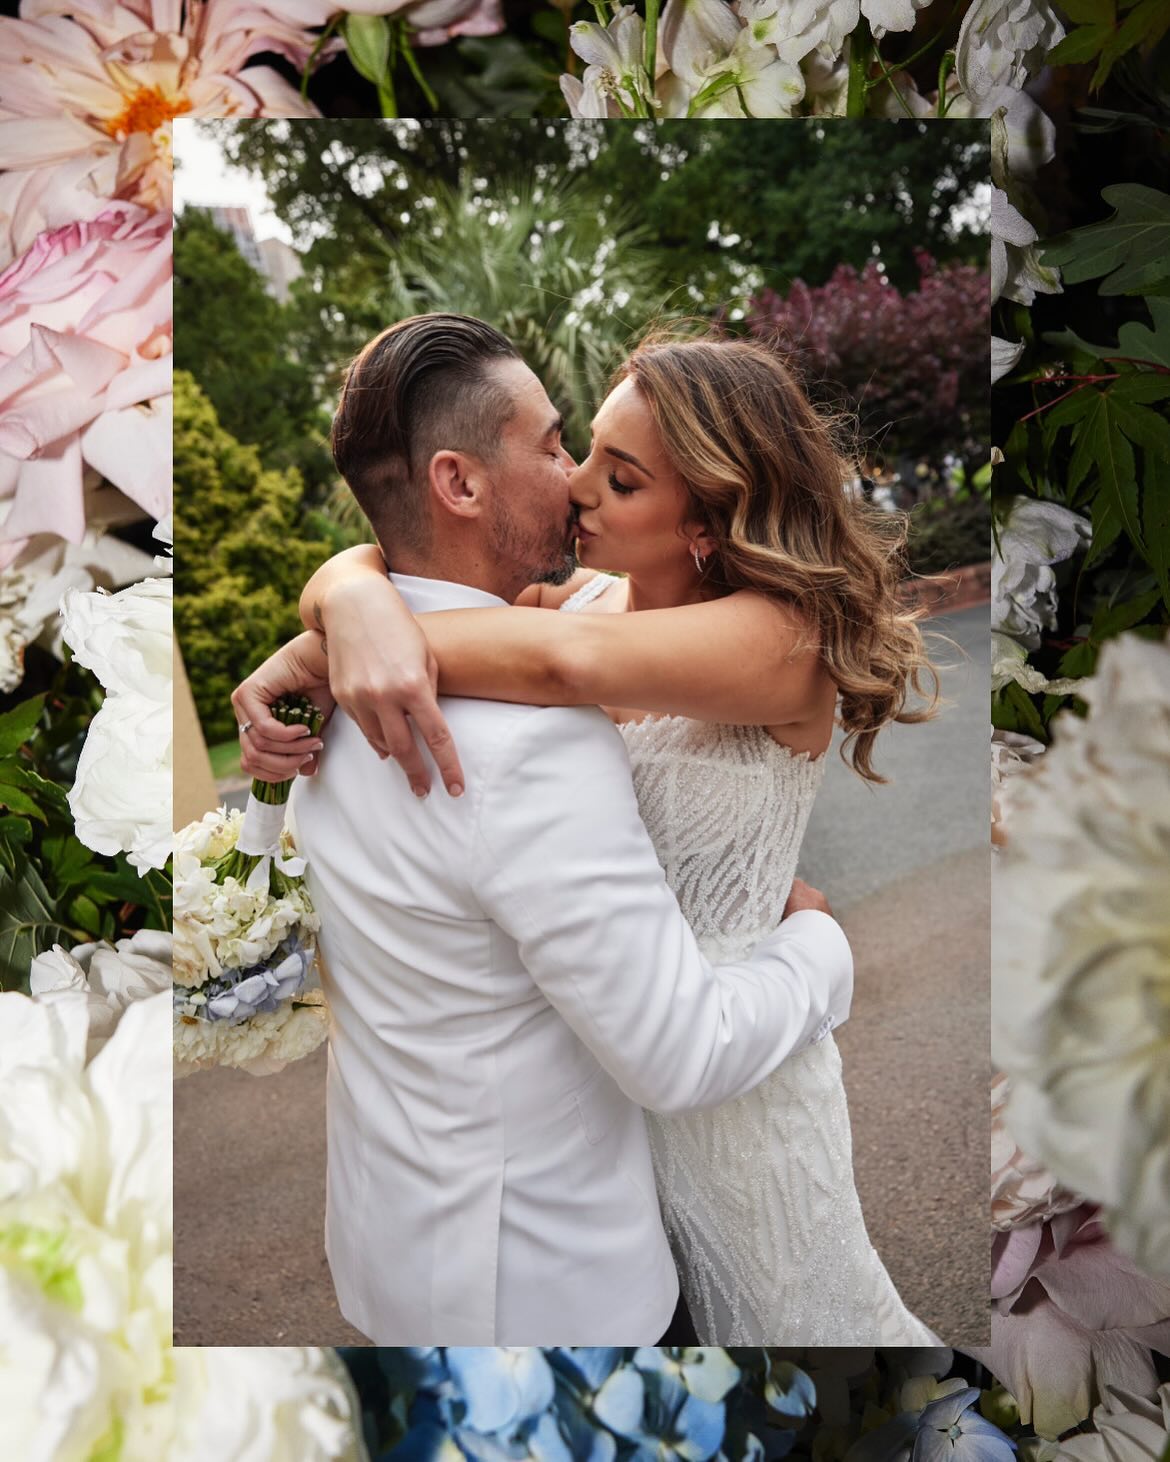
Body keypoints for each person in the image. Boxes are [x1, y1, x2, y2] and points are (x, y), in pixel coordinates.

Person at [232, 313, 856, 1345]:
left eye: (615, 472)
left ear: (705, 514)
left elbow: (559, 662)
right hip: (561, 1274)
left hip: (425, 1248)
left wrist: (342, 613)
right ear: (460, 482)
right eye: (564, 445)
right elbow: (675, 1050)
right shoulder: (523, 701)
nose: (572, 481)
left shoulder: (351, 703)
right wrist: (826, 946)